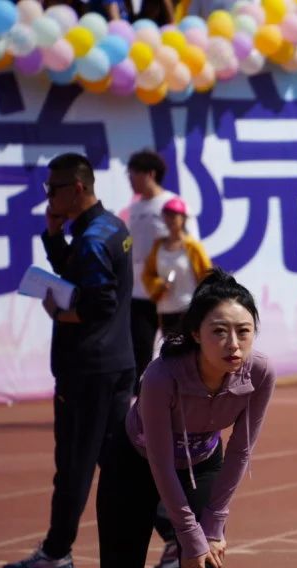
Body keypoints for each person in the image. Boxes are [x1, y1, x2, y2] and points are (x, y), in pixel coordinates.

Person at [59, 269, 276, 568]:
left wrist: (212, 530)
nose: (233, 344)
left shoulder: (259, 372)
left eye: (244, 331)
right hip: (135, 466)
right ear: (196, 334)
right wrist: (188, 538)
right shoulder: (161, 377)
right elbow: (159, 462)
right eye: (219, 331)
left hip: (203, 464)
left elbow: (240, 451)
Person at [2, 153, 134, 568]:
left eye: (53, 189)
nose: (48, 197)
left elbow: (98, 304)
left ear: (77, 188)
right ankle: (176, 537)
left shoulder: (93, 239)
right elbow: (78, 276)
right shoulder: (110, 226)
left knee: (75, 465)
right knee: (119, 460)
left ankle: (57, 553)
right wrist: (54, 236)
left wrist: (58, 314)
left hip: (87, 369)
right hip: (115, 362)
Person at [125, 149, 175, 395]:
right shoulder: (133, 209)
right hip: (138, 291)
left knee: (174, 349)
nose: (130, 179)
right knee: (139, 349)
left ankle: (177, 399)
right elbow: (129, 246)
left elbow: (186, 246)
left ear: (150, 174)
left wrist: (171, 280)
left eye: (133, 173)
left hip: (169, 292)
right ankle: (140, 404)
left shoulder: (171, 204)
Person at [141, 197, 214, 336]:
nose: (170, 219)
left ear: (183, 219)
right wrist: (159, 285)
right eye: (167, 215)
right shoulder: (158, 246)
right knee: (171, 347)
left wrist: (204, 302)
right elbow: (148, 274)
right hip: (166, 310)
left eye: (174, 215)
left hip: (189, 309)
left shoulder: (193, 247)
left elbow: (207, 275)